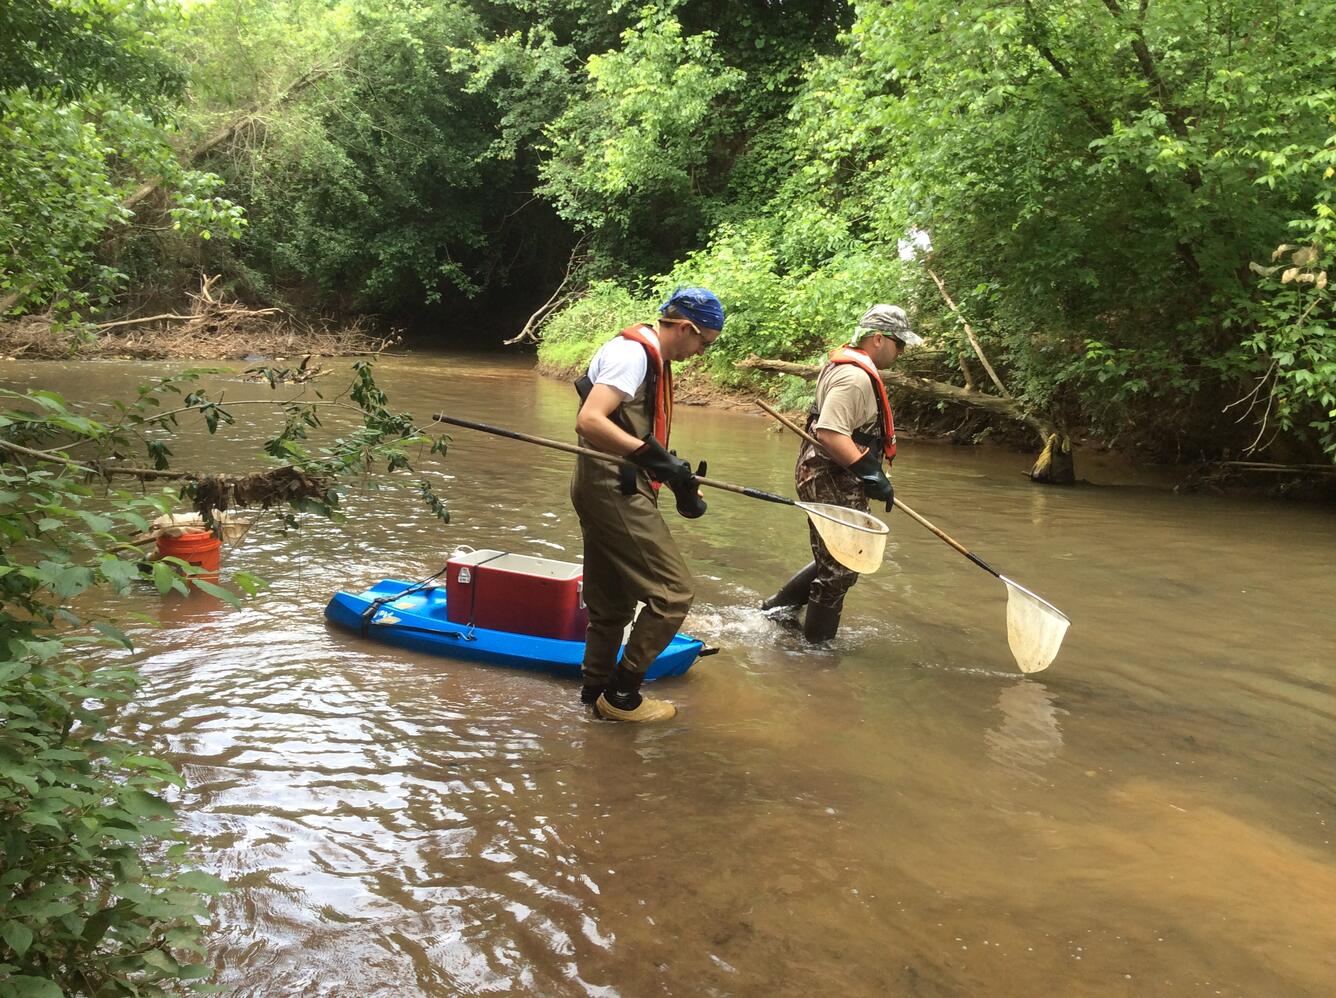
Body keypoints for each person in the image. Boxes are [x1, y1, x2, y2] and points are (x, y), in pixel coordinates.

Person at [570, 287, 724, 722]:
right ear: (686, 327)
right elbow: (590, 419)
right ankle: (622, 696)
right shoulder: (632, 355)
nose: (701, 353)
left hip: (609, 483)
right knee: (673, 594)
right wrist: (652, 458)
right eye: (703, 343)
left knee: (612, 604)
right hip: (613, 486)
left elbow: (631, 428)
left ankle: (594, 693)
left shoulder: (647, 357)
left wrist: (675, 477)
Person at [761, 304, 922, 643]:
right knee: (841, 568)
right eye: (899, 343)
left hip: (834, 474)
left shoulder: (852, 368)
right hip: (828, 475)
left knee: (836, 560)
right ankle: (816, 653)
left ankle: (776, 611)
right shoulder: (854, 377)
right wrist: (870, 473)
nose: (902, 351)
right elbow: (831, 432)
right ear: (878, 339)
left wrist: (869, 474)